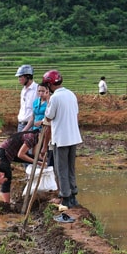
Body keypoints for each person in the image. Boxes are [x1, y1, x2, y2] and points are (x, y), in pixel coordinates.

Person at [42, 70, 82, 209]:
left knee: (61, 169)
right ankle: (73, 195)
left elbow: (49, 116)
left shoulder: (55, 98)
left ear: (49, 84)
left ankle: (65, 197)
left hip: (61, 138)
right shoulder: (71, 94)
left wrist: (47, 101)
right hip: (73, 136)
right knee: (70, 167)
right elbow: (76, 114)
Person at [0, 130, 41, 203]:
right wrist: (37, 162)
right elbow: (21, 155)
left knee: (33, 159)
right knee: (6, 176)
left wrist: (43, 160)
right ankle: (6, 203)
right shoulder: (31, 138)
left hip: (13, 153)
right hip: (4, 152)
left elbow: (35, 154)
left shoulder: (37, 138)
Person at [15, 65, 38, 132]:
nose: (19, 79)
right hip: (21, 124)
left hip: (31, 125)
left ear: (28, 76)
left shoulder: (37, 89)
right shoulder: (23, 90)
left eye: (20, 76)